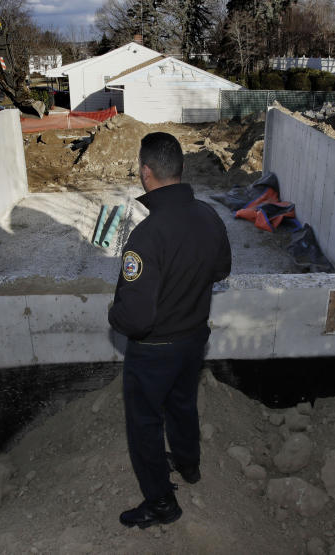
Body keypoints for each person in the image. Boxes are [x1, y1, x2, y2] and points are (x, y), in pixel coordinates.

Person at [108, 132, 231, 529]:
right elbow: (221, 270)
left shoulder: (145, 236)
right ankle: (189, 466)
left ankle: (161, 504)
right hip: (195, 339)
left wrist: (115, 314)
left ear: (146, 173)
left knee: (144, 423)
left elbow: (137, 318)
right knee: (182, 404)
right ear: (180, 169)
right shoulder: (210, 216)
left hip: (154, 350)